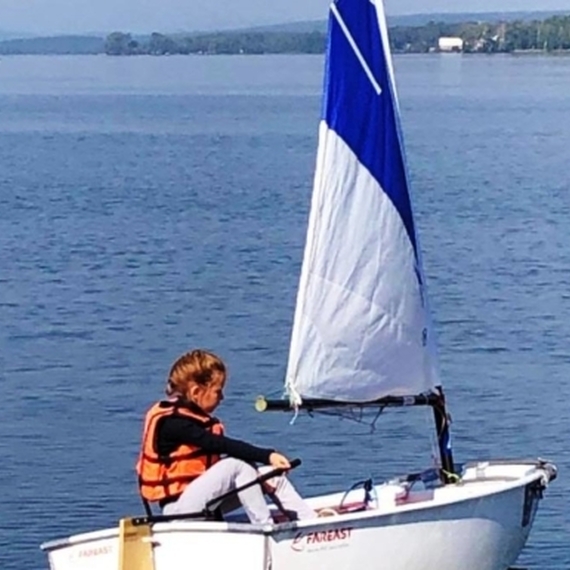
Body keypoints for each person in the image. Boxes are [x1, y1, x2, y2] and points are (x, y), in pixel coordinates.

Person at [136, 349, 315, 524]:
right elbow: (220, 444)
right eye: (217, 391)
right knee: (235, 465)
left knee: (271, 475)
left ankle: (310, 523)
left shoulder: (191, 415)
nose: (222, 397)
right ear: (196, 392)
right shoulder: (173, 423)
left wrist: (265, 462)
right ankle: (265, 528)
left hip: (205, 503)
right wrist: (268, 455)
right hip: (179, 512)